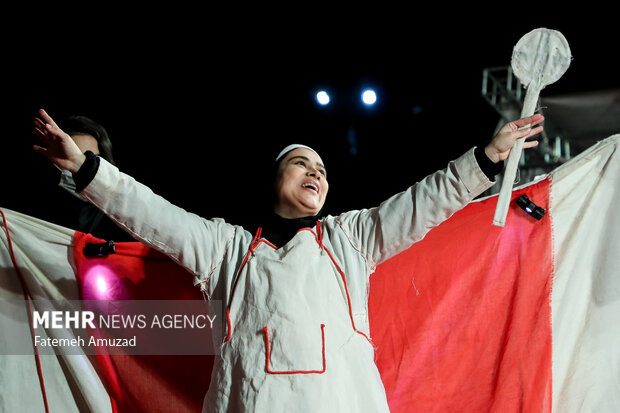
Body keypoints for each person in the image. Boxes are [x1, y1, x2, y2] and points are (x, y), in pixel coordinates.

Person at [32, 108, 543, 412]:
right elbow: (150, 213)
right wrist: (85, 168)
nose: (316, 172)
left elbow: (424, 201)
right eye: (302, 163)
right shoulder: (225, 247)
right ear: (273, 179)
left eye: (322, 167)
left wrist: (488, 158)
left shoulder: (351, 239)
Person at [37, 114, 135, 242]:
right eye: (74, 159)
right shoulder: (35, 210)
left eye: (91, 159)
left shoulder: (118, 216)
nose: (82, 167)